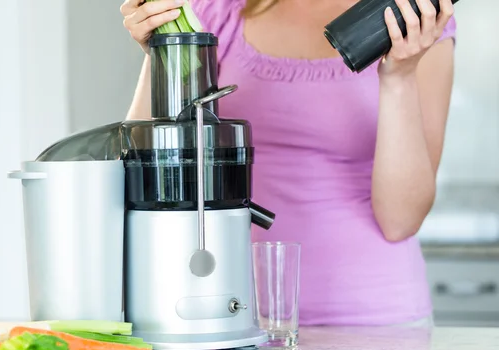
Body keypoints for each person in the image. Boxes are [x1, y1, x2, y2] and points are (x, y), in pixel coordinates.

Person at [120, 0, 456, 326]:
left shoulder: (415, 23)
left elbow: (401, 220)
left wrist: (399, 78)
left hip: (374, 319)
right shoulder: (216, 10)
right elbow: (142, 171)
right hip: (228, 312)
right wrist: (163, 51)